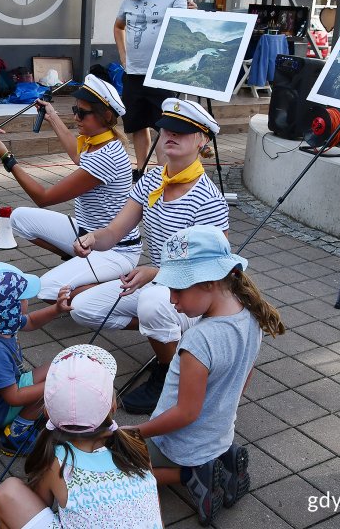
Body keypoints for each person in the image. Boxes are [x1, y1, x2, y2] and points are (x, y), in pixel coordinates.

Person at [71, 99, 228, 415]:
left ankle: (170, 372)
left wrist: (154, 273)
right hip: (157, 284)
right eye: (167, 128)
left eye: (182, 131)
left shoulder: (209, 199)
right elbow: (115, 232)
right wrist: (92, 238)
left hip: (192, 293)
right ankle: (172, 335)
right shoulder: (154, 180)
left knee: (153, 304)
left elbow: (213, 270)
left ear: (203, 140)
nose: (170, 135)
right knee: (81, 307)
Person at [122, 225, 286, 526]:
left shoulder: (199, 340)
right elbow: (241, 382)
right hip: (220, 432)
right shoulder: (251, 318)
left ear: (210, 282)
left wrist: (136, 433)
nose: (171, 299)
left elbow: (185, 413)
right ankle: (221, 458)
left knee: (117, 469)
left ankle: (193, 474)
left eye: (178, 289)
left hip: (180, 444)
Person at [0, 74, 140, 302]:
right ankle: (81, 267)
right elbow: (78, 156)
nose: (75, 117)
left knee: (46, 291)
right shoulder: (97, 141)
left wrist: (7, 157)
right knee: (18, 219)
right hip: (86, 235)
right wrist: (52, 116)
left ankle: (111, 288)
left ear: (105, 115)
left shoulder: (106, 156)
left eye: (82, 113)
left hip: (115, 250)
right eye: (75, 109)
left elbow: (43, 198)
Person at [0, 344, 163, 529]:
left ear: (47, 412)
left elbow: (38, 507)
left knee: (8, 493)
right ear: (113, 406)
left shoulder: (55, 460)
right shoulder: (135, 442)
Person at [0, 262, 72, 456]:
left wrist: (57, 309)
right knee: (51, 392)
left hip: (0, 396)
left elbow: (30, 321)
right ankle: (15, 436)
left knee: (59, 366)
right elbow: (14, 397)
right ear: (11, 307)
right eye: (23, 298)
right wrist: (54, 385)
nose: (27, 301)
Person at [113, 0, 190, 177]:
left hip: (161, 75)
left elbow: (183, 23)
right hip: (133, 73)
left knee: (163, 125)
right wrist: (122, 55)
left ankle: (163, 173)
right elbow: (118, 27)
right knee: (137, 123)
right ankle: (140, 169)